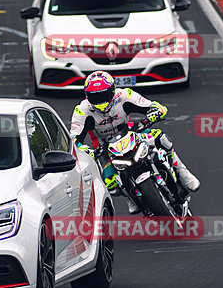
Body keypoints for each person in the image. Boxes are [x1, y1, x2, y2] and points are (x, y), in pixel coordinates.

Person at [70, 70, 199, 212]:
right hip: (104, 149)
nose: (101, 101)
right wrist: (86, 150)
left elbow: (155, 106)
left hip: (132, 134)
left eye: (104, 95)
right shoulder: (82, 110)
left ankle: (183, 173)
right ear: (87, 96)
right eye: (95, 97)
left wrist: (154, 114)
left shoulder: (124, 95)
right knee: (110, 183)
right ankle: (130, 198)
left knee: (161, 139)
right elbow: (74, 140)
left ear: (112, 90)